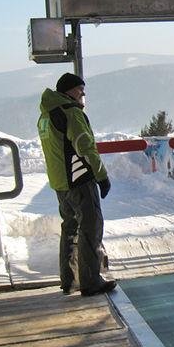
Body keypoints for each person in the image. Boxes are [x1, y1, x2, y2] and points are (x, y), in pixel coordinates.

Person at [37, 72, 116, 297]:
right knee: (90, 227)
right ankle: (91, 281)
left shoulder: (45, 115)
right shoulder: (71, 113)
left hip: (60, 182)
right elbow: (85, 146)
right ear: (70, 90)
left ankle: (69, 279)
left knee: (70, 228)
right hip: (79, 179)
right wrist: (101, 176)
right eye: (80, 89)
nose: (83, 93)